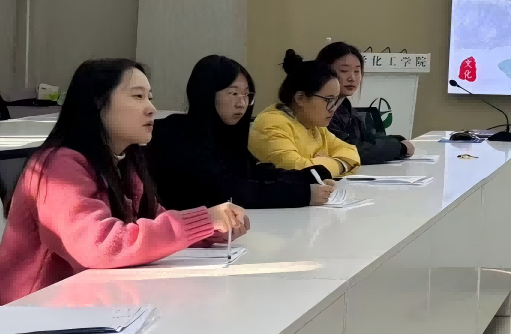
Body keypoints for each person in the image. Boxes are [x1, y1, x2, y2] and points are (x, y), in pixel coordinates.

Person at [0, 59, 249, 304]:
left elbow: (153, 220)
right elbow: (99, 245)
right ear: (98, 103)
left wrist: (211, 230)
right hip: (28, 313)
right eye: (138, 96)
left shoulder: (123, 162)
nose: (151, 108)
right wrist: (202, 221)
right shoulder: (58, 167)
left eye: (150, 97)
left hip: (90, 303)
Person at [149, 56, 335, 210]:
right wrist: (303, 194)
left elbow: (250, 172)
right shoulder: (177, 135)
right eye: (233, 94)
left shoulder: (225, 133)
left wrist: (308, 176)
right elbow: (229, 191)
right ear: (206, 93)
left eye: (247, 95)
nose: (242, 103)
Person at [248, 50, 361, 178]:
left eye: (335, 101)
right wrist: (337, 163)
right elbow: (299, 171)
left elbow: (352, 153)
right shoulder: (271, 123)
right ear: (300, 98)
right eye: (328, 100)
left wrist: (320, 164)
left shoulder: (315, 125)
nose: (333, 108)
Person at [317, 41, 414, 165]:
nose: (352, 78)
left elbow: (368, 138)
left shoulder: (344, 105)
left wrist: (398, 140)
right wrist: (400, 148)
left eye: (357, 71)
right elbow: (352, 151)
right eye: (344, 71)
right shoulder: (320, 109)